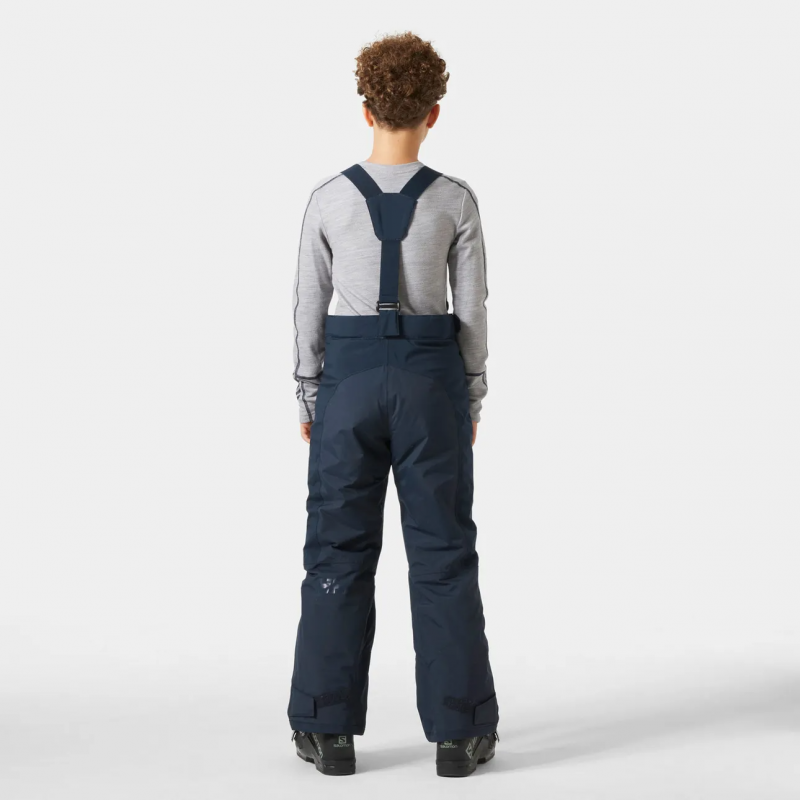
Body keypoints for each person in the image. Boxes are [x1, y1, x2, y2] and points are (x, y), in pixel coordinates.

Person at [289, 32, 498, 778]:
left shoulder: (327, 199)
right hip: (430, 382)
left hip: (347, 385)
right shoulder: (454, 199)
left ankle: (327, 730)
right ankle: (459, 734)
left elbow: (307, 307)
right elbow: (470, 311)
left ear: (365, 107)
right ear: (433, 113)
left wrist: (309, 393)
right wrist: (470, 397)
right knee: (443, 554)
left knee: (338, 552)